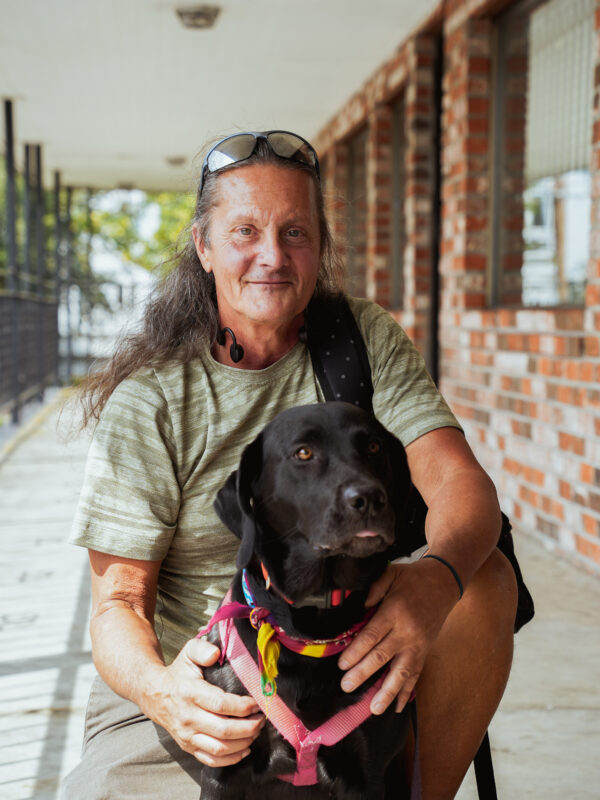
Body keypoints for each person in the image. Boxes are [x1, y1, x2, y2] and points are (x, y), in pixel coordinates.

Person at [61, 130, 517, 799]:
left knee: (484, 579)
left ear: (320, 247)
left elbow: (459, 483)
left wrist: (435, 582)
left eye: (296, 233)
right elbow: (119, 604)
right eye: (245, 230)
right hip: (206, 679)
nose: (272, 256)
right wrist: (164, 693)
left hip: (348, 653)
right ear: (204, 247)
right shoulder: (154, 400)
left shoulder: (360, 341)